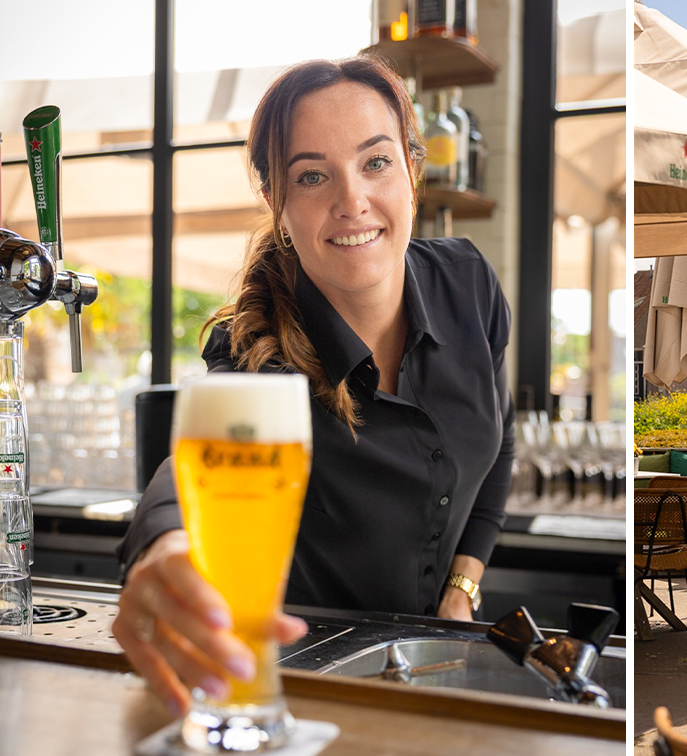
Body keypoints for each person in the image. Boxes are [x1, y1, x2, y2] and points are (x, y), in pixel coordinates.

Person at [111, 57, 514, 716]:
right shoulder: (257, 353)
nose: (351, 199)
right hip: (300, 687)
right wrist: (162, 546)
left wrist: (461, 589)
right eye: (312, 175)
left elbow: (500, 446)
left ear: (413, 170)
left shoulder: (468, 283)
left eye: (375, 163)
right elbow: (188, 479)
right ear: (278, 204)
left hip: (434, 665)